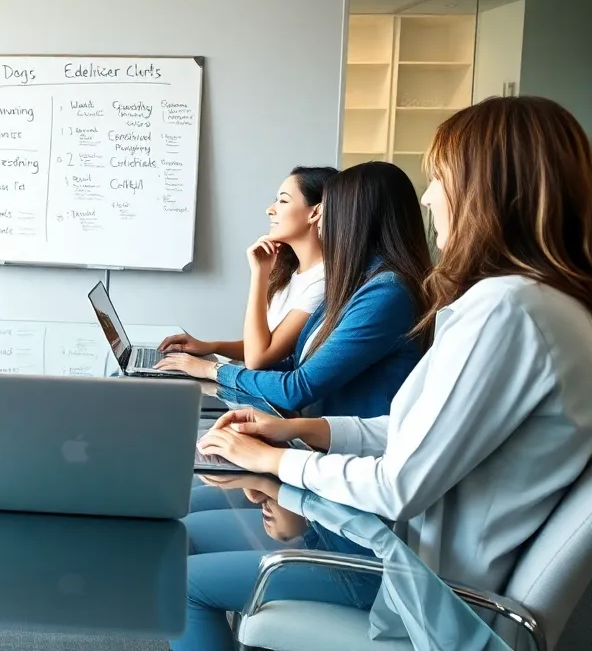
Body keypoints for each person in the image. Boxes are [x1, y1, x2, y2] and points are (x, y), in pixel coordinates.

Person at [187, 96, 592, 650]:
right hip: (428, 567)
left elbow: (398, 485)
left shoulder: (506, 310)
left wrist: (274, 460)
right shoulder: (550, 306)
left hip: (425, 589)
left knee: (185, 582)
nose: (428, 197)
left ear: (487, 191)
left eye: (439, 179)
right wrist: (302, 430)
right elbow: (418, 434)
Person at [157, 162, 430, 420]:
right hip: (316, 432)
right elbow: (296, 364)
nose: (321, 219)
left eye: (330, 209)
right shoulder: (357, 281)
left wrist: (212, 369)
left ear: (357, 218)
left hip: (343, 445)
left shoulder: (385, 292)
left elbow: (297, 387)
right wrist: (210, 360)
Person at [161, 167, 337, 369]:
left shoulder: (323, 281)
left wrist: (259, 274)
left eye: (283, 201)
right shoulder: (292, 273)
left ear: (316, 212)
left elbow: (258, 358)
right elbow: (262, 344)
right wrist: (209, 346)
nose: (270, 210)